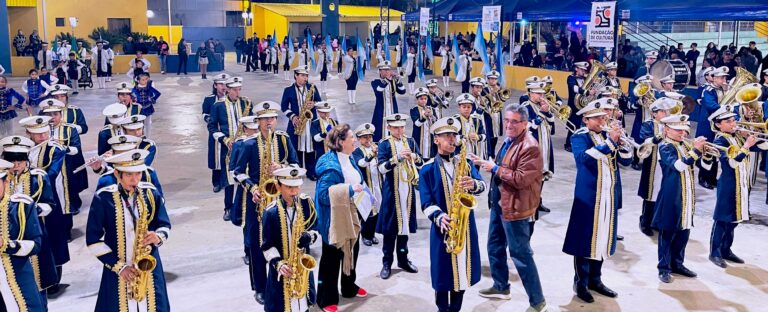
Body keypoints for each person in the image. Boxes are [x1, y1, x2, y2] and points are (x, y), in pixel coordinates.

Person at [471, 103, 547, 311]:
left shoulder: (530, 146)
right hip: (500, 204)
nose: (509, 125)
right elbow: (505, 166)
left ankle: (538, 302)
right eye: (506, 120)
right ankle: (501, 286)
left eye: (514, 121)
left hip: (515, 208)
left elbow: (521, 179)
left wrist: (494, 168)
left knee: (521, 255)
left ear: (524, 123)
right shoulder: (510, 140)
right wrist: (487, 163)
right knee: (494, 247)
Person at [563, 98, 631, 303]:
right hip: (589, 196)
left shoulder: (607, 136)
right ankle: (580, 282)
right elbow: (583, 159)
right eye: (598, 117)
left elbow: (626, 162)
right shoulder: (580, 136)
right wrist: (610, 142)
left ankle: (596, 279)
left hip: (608, 196)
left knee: (602, 237)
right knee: (584, 239)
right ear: (586, 119)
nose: (604, 120)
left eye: (604, 116)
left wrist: (623, 144)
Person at [85, 149, 171, 311]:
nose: (135, 179)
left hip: (148, 263)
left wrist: (158, 237)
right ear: (117, 174)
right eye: (129, 175)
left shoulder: (150, 192)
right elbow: (93, 239)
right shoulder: (103, 198)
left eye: (138, 174)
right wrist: (119, 267)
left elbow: (164, 223)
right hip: (118, 267)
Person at [232, 102, 298, 304]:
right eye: (265, 119)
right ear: (258, 122)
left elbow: (295, 164)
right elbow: (238, 172)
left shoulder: (283, 140)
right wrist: (252, 188)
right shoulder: (249, 144)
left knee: (281, 242)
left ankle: (281, 280)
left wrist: (282, 166)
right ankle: (259, 287)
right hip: (258, 201)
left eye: (272, 118)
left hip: (281, 199)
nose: (269, 122)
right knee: (257, 245)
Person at [419, 116, 486, 312]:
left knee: (463, 273)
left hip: (465, 227)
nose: (451, 139)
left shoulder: (465, 162)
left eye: (454, 135)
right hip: (443, 229)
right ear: (436, 140)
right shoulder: (427, 169)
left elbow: (482, 185)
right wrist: (439, 216)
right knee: (442, 274)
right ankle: (442, 308)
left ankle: (456, 308)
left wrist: (474, 184)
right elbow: (426, 202)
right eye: (446, 135)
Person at [314, 124, 369, 312]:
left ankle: (348, 287)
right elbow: (323, 195)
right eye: (352, 137)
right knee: (331, 259)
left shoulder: (350, 157)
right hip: (334, 221)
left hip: (352, 215)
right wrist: (350, 189)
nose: (355, 140)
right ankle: (326, 297)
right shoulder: (329, 166)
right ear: (340, 142)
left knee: (352, 253)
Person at [1, 135, 59, 308]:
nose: (16, 166)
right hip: (11, 243)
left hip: (33, 230)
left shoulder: (38, 177)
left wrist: (33, 210)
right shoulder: (4, 178)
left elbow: (50, 205)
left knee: (38, 281)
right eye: (12, 162)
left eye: (20, 161)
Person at [709, 105, 767, 268]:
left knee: (735, 219)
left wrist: (756, 137)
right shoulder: (719, 140)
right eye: (729, 121)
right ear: (719, 124)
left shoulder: (736, 136)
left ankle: (726, 249)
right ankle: (714, 252)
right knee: (722, 219)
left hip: (741, 182)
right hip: (727, 184)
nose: (734, 123)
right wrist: (746, 145)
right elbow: (732, 163)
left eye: (734, 119)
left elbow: (761, 147)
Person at [19, 115, 68, 297]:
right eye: (37, 134)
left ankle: (54, 276)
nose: (42, 137)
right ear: (28, 134)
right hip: (23, 198)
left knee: (53, 236)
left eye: (44, 132)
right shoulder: (21, 149)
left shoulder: (55, 149)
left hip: (48, 197)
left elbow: (52, 173)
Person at [652, 114, 703, 283]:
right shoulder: (665, 147)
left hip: (687, 192)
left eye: (684, 130)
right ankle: (663, 267)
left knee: (684, 230)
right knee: (667, 232)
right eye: (678, 130)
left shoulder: (684, 145)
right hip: (671, 194)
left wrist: (703, 154)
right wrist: (695, 151)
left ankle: (677, 263)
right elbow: (678, 166)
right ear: (666, 129)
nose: (683, 133)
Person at [261, 167, 318, 312]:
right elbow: (267, 246)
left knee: (303, 305)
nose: (294, 192)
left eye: (297, 186)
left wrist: (310, 236)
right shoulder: (270, 212)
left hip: (301, 267)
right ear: (278, 186)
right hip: (283, 271)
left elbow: (317, 229)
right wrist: (278, 264)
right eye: (289, 187)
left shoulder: (306, 203)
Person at [375, 113, 421, 280]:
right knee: (390, 229)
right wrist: (396, 158)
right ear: (388, 128)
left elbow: (421, 161)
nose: (399, 130)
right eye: (395, 127)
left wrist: (413, 157)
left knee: (405, 229)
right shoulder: (384, 145)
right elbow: (381, 168)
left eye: (401, 127)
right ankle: (387, 262)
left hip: (407, 190)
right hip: (391, 191)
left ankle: (403, 259)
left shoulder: (410, 141)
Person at [0, 158, 45, 311]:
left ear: (6, 182)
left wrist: (7, 244)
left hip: (18, 275)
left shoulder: (21, 205)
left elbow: (36, 244)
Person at [208, 76, 253, 221]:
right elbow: (212, 126)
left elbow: (253, 122)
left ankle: (243, 207)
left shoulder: (245, 103)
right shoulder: (218, 106)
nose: (238, 93)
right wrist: (224, 139)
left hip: (244, 145)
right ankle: (228, 207)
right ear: (227, 89)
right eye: (235, 90)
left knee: (245, 176)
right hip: (228, 147)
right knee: (228, 180)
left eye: (239, 89)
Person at [40, 99, 87, 220]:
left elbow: (76, 149)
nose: (52, 118)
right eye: (48, 115)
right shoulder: (39, 130)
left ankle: (67, 229)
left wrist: (62, 147)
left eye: (55, 114)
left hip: (66, 168)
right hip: (46, 169)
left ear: (61, 114)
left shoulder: (70, 129)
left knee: (66, 198)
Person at [636, 98, 674, 236]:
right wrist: (657, 137)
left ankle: (656, 221)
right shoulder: (649, 124)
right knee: (650, 192)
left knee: (662, 192)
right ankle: (645, 222)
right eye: (662, 111)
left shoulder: (670, 124)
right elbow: (643, 139)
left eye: (666, 111)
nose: (665, 113)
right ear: (654, 113)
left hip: (666, 163)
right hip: (652, 162)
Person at [281, 66, 322, 180]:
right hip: (296, 123)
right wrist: (293, 116)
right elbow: (284, 107)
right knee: (296, 147)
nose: (305, 78)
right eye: (303, 75)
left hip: (310, 123)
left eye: (306, 76)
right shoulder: (288, 90)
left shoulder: (312, 88)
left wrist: (314, 104)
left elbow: (320, 101)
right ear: (296, 76)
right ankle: (297, 171)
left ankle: (311, 172)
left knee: (311, 147)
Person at [521, 82, 555, 218]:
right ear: (530, 93)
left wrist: (548, 112)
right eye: (538, 94)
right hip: (533, 146)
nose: (541, 96)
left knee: (542, 175)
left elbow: (552, 122)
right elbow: (529, 127)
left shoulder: (543, 106)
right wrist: (541, 114)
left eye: (542, 93)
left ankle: (538, 201)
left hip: (545, 143)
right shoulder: (525, 107)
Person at [696, 66, 731, 189]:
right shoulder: (708, 90)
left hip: (717, 126)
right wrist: (726, 108)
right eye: (721, 77)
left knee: (716, 152)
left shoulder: (722, 89)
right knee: (706, 151)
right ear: (714, 78)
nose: (724, 80)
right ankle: (703, 178)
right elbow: (712, 106)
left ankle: (712, 178)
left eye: (725, 77)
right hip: (707, 126)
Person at [351, 123, 382, 247]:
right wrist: (372, 155)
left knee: (377, 211)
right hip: (365, 186)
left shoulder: (378, 148)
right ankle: (365, 235)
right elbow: (361, 163)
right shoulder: (357, 151)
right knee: (367, 212)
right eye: (364, 137)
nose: (368, 139)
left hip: (377, 185)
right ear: (359, 139)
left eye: (370, 136)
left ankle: (372, 234)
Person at [202, 73, 230, 193]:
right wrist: (210, 119)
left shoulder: (232, 99)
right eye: (220, 84)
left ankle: (227, 180)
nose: (223, 87)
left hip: (229, 134)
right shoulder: (209, 99)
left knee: (228, 157)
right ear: (215, 85)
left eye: (225, 84)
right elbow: (204, 113)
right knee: (216, 158)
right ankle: (216, 182)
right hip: (214, 134)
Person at [370, 61, 406, 142]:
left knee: (394, 127)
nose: (387, 72)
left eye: (388, 70)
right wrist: (387, 80)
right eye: (385, 70)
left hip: (393, 110)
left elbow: (403, 91)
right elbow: (379, 90)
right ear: (380, 71)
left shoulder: (393, 81)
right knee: (380, 130)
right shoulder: (375, 82)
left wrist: (398, 81)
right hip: (380, 111)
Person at [565, 61, 591, 151]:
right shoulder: (571, 78)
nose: (584, 72)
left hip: (583, 105)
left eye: (584, 70)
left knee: (583, 125)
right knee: (573, 125)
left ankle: (581, 143)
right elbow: (574, 88)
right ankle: (568, 144)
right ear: (576, 69)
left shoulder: (585, 79)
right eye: (582, 70)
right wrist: (587, 92)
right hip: (574, 105)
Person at [454, 94, 486, 161]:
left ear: (472, 108)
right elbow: (452, 138)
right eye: (464, 107)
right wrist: (466, 136)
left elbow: (484, 135)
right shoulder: (455, 120)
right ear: (459, 108)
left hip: (474, 155)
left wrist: (478, 137)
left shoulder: (476, 120)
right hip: (459, 155)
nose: (466, 109)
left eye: (469, 107)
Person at [409, 87, 436, 160]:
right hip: (419, 137)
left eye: (425, 99)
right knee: (419, 157)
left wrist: (432, 116)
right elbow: (417, 123)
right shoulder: (414, 110)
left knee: (431, 157)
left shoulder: (431, 109)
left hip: (430, 138)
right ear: (416, 100)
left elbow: (436, 122)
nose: (424, 101)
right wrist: (424, 116)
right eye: (421, 99)